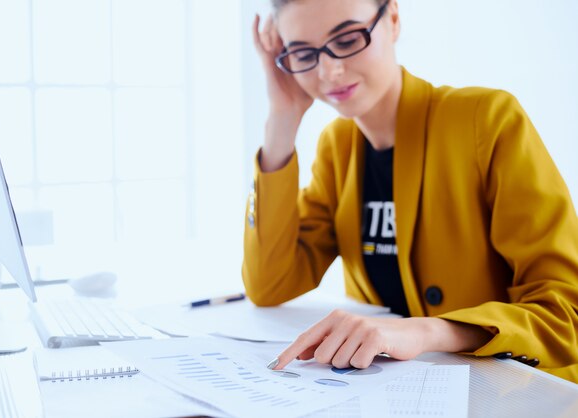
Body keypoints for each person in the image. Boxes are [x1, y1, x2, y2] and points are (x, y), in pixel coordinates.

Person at [242, 0, 578, 383]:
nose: (329, 70)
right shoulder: (338, 148)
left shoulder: (486, 120)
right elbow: (269, 284)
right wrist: (282, 118)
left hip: (521, 394)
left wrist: (427, 331)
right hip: (394, 395)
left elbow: (566, 312)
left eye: (348, 38)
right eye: (304, 52)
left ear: (394, 20)